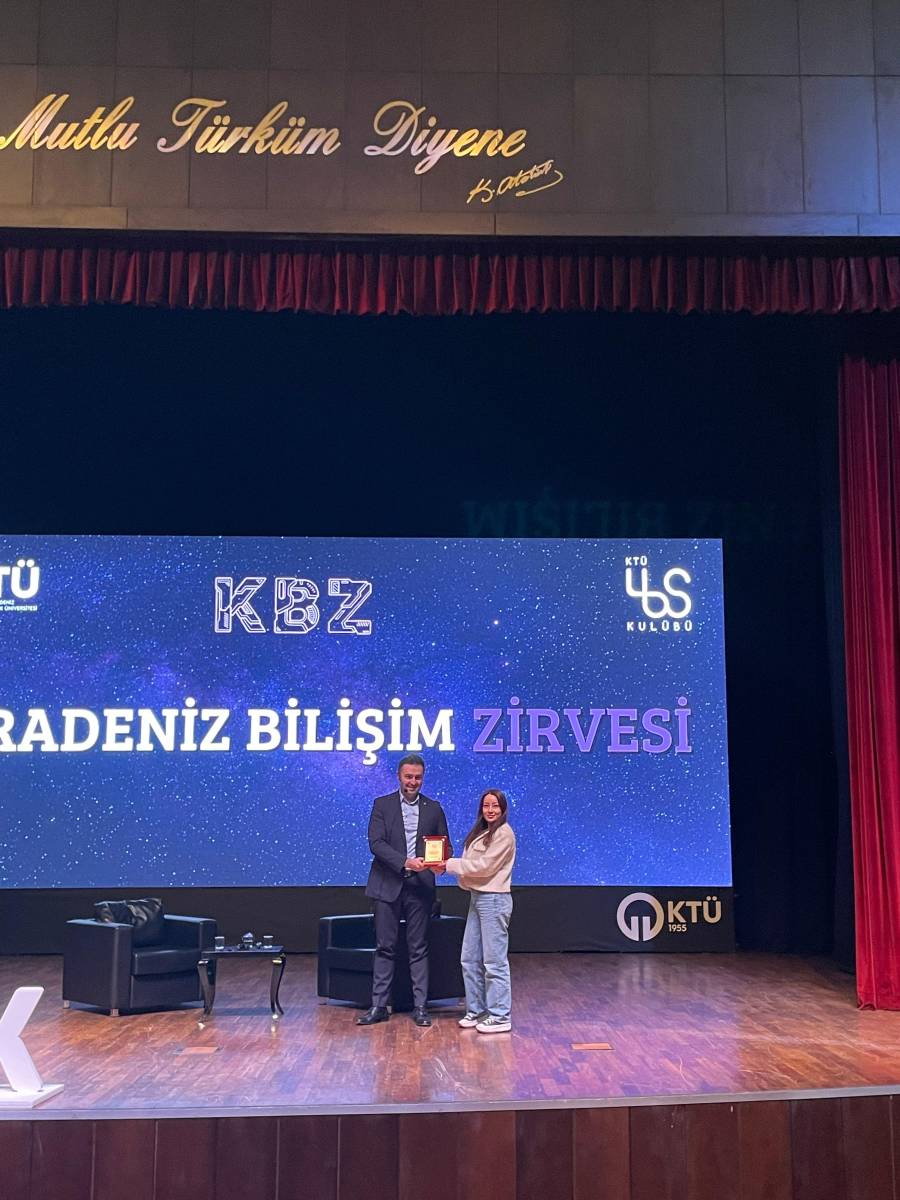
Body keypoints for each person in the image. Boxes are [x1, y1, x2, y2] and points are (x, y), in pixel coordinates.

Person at [356, 754, 451, 1028]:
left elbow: (446, 845)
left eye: (417, 777)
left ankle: (420, 1007)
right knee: (384, 947)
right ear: (399, 776)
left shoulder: (434, 808)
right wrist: (405, 862)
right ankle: (379, 1006)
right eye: (408, 776)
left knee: (418, 948)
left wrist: (440, 862)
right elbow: (376, 843)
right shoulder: (382, 804)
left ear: (423, 778)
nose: (413, 782)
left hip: (420, 888)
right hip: (387, 885)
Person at [434, 788, 515, 1034]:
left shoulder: (504, 833)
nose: (490, 810)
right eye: (486, 805)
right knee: (469, 958)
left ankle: (500, 1016)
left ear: (503, 809)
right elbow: (473, 866)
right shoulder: (482, 832)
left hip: (494, 900)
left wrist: (447, 865)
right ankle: (477, 1010)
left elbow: (484, 867)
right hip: (477, 898)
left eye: (495, 806)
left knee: (494, 962)